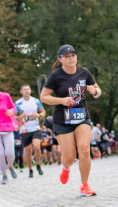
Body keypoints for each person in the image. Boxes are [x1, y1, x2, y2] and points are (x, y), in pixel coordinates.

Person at [40, 44, 101, 197]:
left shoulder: (84, 72)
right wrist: (61, 100)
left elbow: (98, 90)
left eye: (73, 55)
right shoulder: (56, 76)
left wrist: (94, 91)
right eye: (67, 56)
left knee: (85, 150)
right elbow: (44, 97)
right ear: (60, 59)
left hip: (81, 117)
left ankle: (84, 185)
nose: (71, 58)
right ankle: (66, 168)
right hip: (62, 120)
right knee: (69, 157)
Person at [15, 84, 46, 177]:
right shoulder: (18, 103)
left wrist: (38, 115)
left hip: (35, 127)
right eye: (24, 89)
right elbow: (13, 117)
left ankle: (38, 165)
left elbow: (43, 112)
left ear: (30, 90)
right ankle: (30, 169)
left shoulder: (36, 101)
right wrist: (21, 116)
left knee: (36, 146)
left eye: (28, 89)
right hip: (24, 129)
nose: (26, 91)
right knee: (28, 150)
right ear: (21, 91)